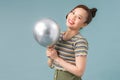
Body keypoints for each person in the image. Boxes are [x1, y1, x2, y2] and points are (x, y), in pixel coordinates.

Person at [46, 4, 97, 80]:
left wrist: (57, 58)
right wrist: (51, 55)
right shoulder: (58, 36)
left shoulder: (80, 42)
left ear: (84, 24)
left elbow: (80, 72)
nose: (73, 17)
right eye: (73, 13)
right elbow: (51, 65)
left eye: (79, 17)